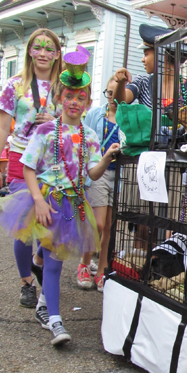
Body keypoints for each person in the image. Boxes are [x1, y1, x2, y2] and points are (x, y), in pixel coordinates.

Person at [0, 46, 120, 346]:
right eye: (69, 96)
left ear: (88, 102)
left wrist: (105, 158)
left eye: (80, 98)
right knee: (52, 262)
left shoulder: (90, 137)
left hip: (73, 206)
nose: (74, 102)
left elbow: (91, 174)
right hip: (45, 201)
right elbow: (28, 168)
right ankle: (55, 321)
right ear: (58, 98)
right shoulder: (45, 132)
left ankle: (45, 305)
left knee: (54, 260)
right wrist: (38, 201)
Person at [0, 29, 63, 308]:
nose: (43, 53)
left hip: (54, 162)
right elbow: (2, 128)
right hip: (21, 159)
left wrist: (55, 119)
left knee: (54, 222)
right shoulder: (15, 85)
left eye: (49, 48)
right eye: (38, 47)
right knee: (24, 227)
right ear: (30, 51)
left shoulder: (64, 87)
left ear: (57, 54)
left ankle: (39, 261)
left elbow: (74, 121)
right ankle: (27, 283)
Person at [78, 74, 120, 291]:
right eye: (109, 93)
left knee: (111, 227)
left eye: (117, 93)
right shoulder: (95, 114)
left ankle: (102, 270)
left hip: (119, 175)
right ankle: (84, 263)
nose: (113, 98)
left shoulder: (126, 115)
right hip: (98, 172)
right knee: (97, 223)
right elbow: (82, 138)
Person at [112, 23, 187, 109]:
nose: (142, 59)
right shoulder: (142, 82)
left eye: (146, 54)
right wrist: (121, 83)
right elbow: (119, 103)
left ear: (163, 54)